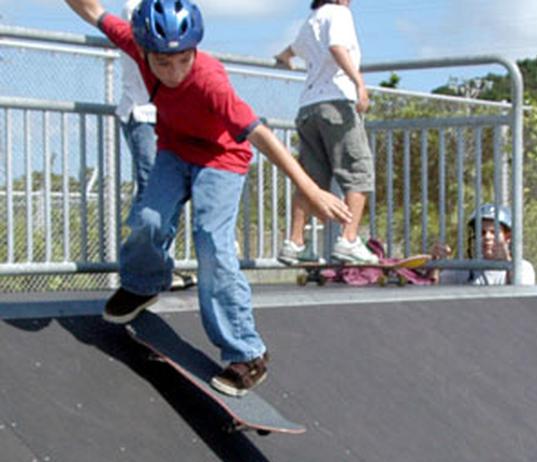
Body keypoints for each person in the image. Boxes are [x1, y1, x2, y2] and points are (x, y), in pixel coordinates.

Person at [64, 0, 352, 397]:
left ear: (194, 50)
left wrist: (311, 188)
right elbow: (94, 12)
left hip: (222, 159)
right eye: (162, 64)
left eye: (182, 60)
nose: (174, 72)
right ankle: (144, 283)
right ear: (144, 50)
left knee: (212, 244)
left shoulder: (210, 81)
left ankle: (247, 353)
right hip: (175, 151)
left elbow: (263, 137)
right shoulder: (134, 42)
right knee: (148, 220)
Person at [274, 0, 378, 265]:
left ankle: (295, 243)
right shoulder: (339, 13)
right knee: (359, 170)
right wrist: (360, 84)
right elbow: (337, 47)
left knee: (311, 179)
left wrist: (284, 60)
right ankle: (349, 239)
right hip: (336, 104)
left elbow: (287, 53)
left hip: (308, 108)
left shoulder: (312, 19)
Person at [117, 0, 195, 291]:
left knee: (164, 195)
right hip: (143, 111)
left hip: (163, 114)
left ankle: (154, 268)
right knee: (152, 192)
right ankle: (146, 272)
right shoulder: (138, 8)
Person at [430, 204, 536, 286]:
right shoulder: (467, 270)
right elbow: (433, 289)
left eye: (493, 232)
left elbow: (520, 298)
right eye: (482, 232)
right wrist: (435, 264)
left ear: (507, 237)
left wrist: (506, 262)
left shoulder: (522, 267)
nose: (487, 237)